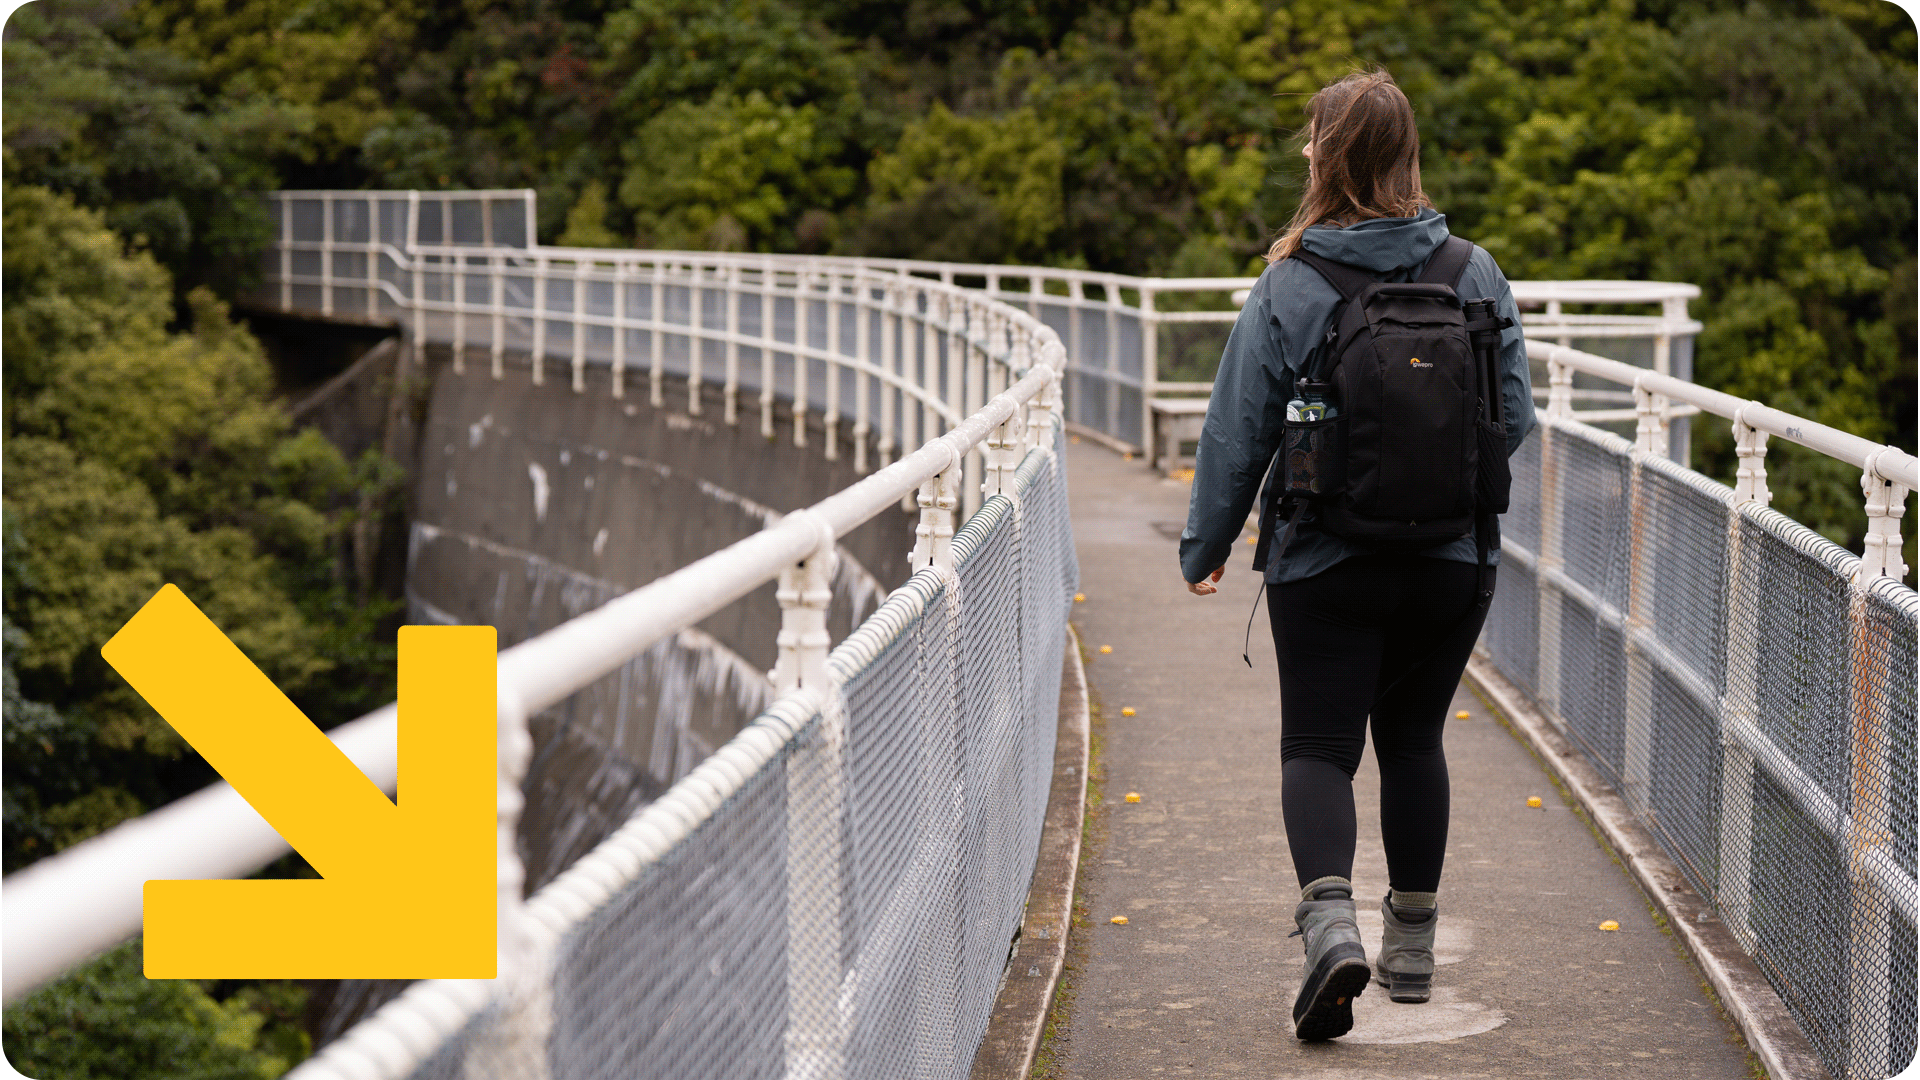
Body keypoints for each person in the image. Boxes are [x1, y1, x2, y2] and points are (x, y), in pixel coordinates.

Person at [1176, 68, 1535, 1042]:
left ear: (1325, 157)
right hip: (1453, 563)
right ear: (1409, 155)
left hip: (1322, 561)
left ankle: (1331, 934)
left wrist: (1204, 546)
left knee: (1319, 749)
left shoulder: (1292, 281)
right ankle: (1412, 958)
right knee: (1414, 742)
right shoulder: (1476, 272)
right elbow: (1517, 421)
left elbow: (1237, 432)